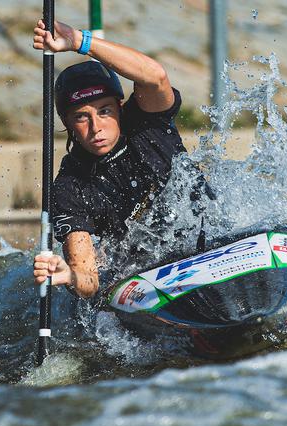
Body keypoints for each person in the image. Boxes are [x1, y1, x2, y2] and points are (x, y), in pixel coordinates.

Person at [32, 19, 206, 299]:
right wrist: (69, 275)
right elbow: (88, 277)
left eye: (104, 111)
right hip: (149, 272)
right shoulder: (69, 186)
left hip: (209, 238)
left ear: (120, 108)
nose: (96, 127)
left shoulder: (147, 123)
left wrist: (79, 42)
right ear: (67, 123)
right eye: (81, 116)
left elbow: (155, 76)